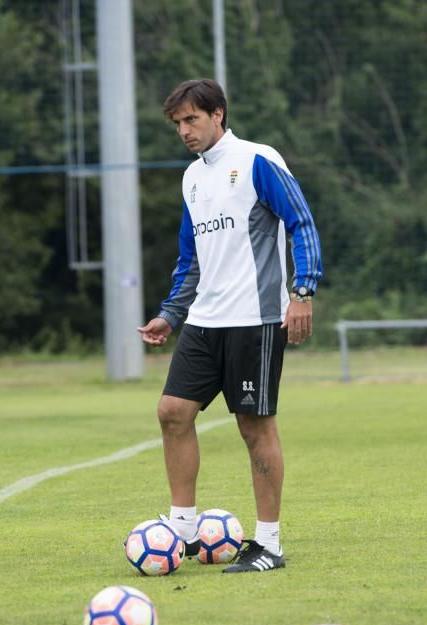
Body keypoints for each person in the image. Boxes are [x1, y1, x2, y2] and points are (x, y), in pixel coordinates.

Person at [137, 79, 323, 573]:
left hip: (256, 319)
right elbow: (190, 258)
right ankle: (182, 530)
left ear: (218, 114)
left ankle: (268, 544)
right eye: (177, 123)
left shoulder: (259, 160)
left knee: (254, 426)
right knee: (172, 411)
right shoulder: (191, 179)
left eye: (191, 119)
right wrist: (169, 314)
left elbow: (302, 222)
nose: (184, 130)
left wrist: (302, 292)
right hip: (205, 320)